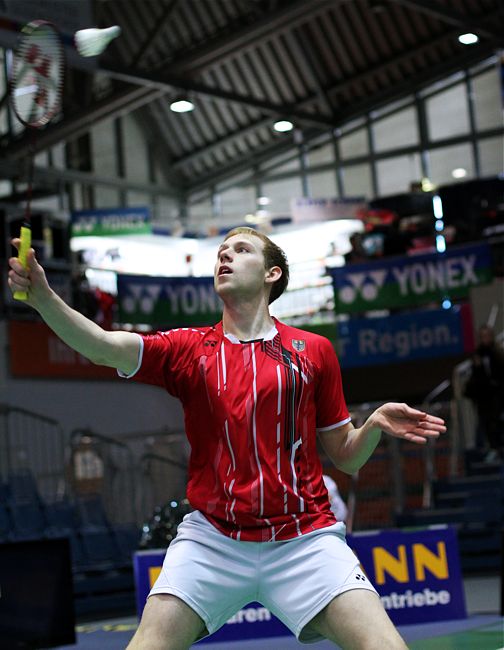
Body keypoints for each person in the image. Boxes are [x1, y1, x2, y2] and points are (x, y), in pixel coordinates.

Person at [8, 226, 446, 650]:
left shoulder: (313, 351)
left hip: (303, 539)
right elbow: (104, 346)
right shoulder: (189, 349)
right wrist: (44, 298)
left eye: (240, 250)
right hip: (213, 540)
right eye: (221, 251)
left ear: (272, 274)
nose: (225, 256)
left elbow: (346, 458)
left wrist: (371, 425)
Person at [464, 324, 504, 462]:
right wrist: (478, 366)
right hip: (484, 398)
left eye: (487, 336)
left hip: (498, 395)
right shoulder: (477, 355)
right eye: (482, 336)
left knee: (497, 422)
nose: (485, 339)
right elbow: (477, 378)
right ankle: (494, 448)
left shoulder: (497, 353)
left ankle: (498, 447)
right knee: (487, 424)